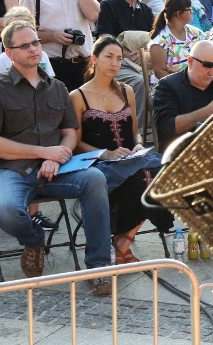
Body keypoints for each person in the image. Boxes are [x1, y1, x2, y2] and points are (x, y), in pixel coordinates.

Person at [0, 21, 112, 292]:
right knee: (5, 209)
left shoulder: (57, 87)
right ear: (9, 52)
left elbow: (70, 133)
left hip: (57, 169)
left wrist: (57, 156)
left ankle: (99, 267)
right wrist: (42, 152)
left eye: (36, 43)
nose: (32, 49)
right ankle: (35, 239)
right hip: (11, 169)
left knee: (95, 179)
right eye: (24, 45)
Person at [69, 36, 168, 265]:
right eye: (109, 57)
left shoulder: (126, 91)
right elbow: (75, 142)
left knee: (164, 171)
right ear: (94, 59)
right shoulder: (78, 96)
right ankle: (122, 244)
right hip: (99, 162)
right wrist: (105, 153)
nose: (115, 63)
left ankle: (124, 241)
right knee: (141, 179)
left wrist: (140, 144)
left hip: (132, 157)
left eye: (119, 58)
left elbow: (135, 132)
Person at [153, 39, 213, 152]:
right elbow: (168, 127)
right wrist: (207, 112)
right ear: (190, 62)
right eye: (207, 65)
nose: (212, 72)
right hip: (183, 154)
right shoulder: (167, 86)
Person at [148, 0, 205, 81]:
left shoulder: (195, 33)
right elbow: (159, 71)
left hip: (198, 82)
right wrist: (183, 85)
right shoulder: (160, 41)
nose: (192, 11)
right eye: (189, 9)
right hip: (170, 87)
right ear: (179, 14)